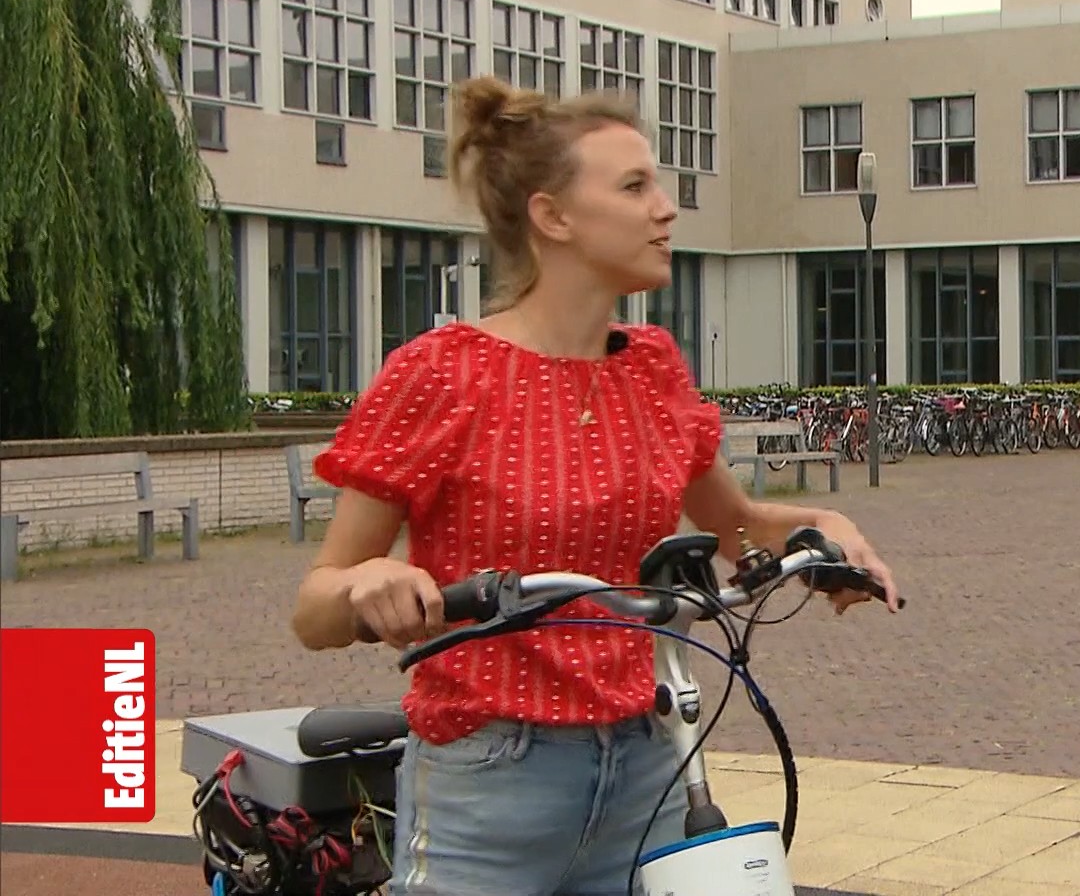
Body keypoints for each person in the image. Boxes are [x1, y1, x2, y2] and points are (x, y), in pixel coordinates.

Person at [289, 76, 900, 896]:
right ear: (554, 217)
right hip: (490, 779)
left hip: (646, 768)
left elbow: (736, 527)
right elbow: (315, 608)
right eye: (635, 186)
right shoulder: (441, 374)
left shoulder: (651, 368)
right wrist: (368, 582)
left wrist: (823, 529)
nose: (665, 209)